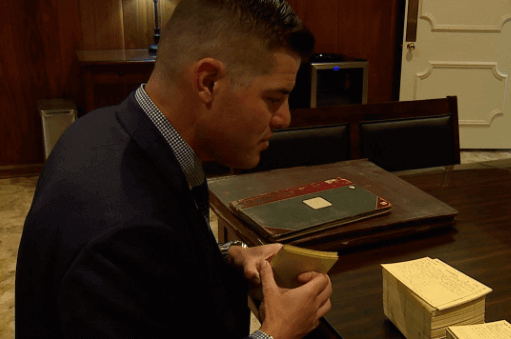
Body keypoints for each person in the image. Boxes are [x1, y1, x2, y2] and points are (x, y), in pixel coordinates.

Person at [15, 0, 333, 338]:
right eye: (274, 98)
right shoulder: (120, 236)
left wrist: (229, 258)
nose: (284, 118)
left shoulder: (100, 127)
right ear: (208, 82)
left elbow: (158, 273)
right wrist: (279, 331)